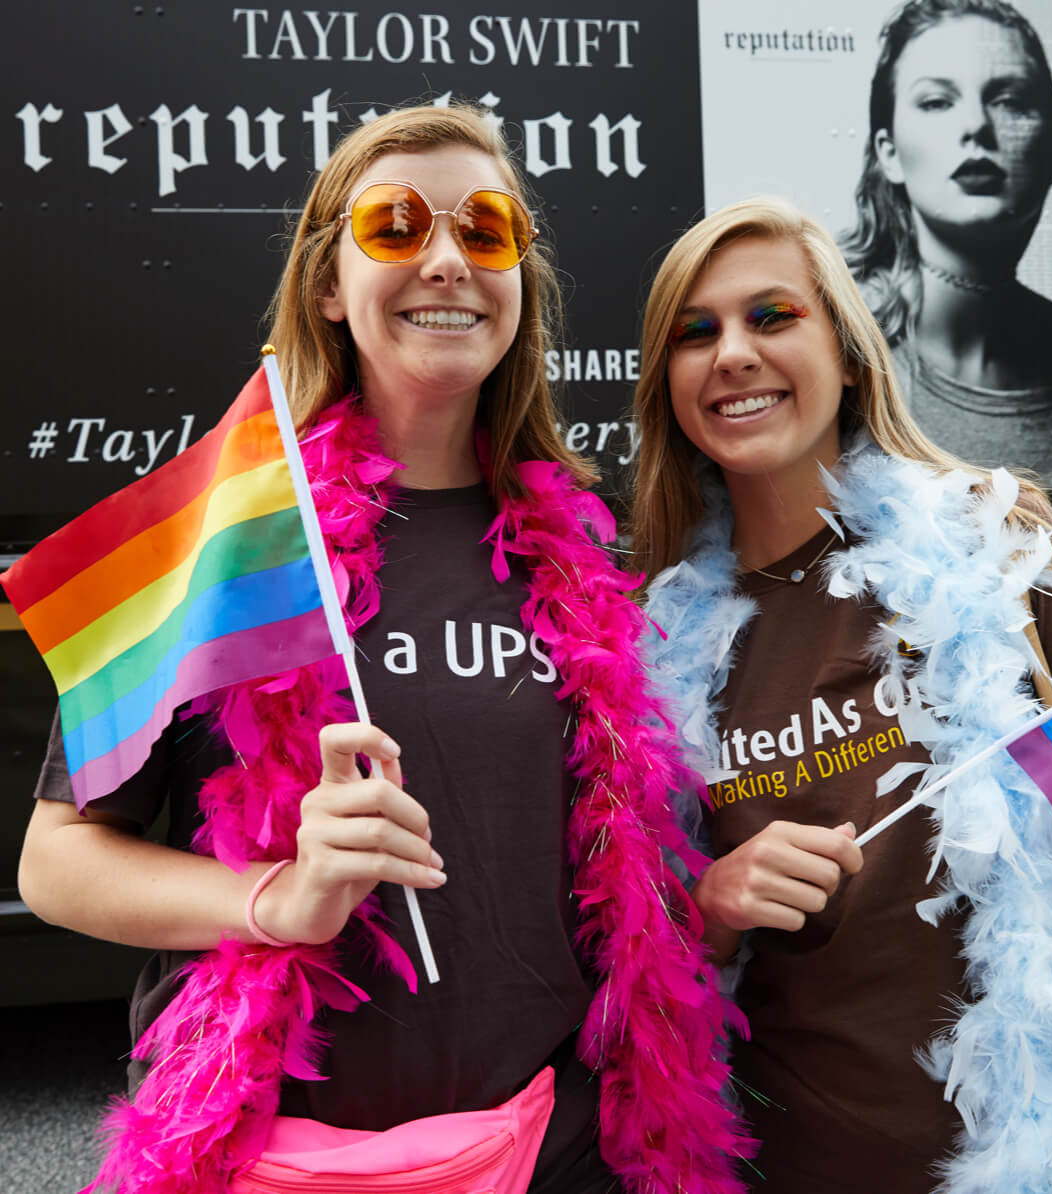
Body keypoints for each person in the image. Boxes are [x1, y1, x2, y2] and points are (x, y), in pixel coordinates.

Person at [16, 104, 751, 1194]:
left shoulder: (593, 563)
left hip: (562, 1150)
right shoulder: (229, 545)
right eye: (398, 226)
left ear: (519, 280)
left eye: (486, 230)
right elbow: (55, 865)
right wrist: (280, 897)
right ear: (328, 284)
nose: (448, 260)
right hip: (285, 1153)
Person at [630, 195, 1052, 1193]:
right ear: (668, 385)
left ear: (850, 354)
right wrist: (709, 904)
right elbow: (623, 968)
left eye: (774, 317)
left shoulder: (994, 543)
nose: (733, 352)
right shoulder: (652, 648)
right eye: (697, 332)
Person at [841, 0, 1052, 488]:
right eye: (937, 102)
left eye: (1009, 100)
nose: (977, 127)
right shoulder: (840, 340)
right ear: (889, 154)